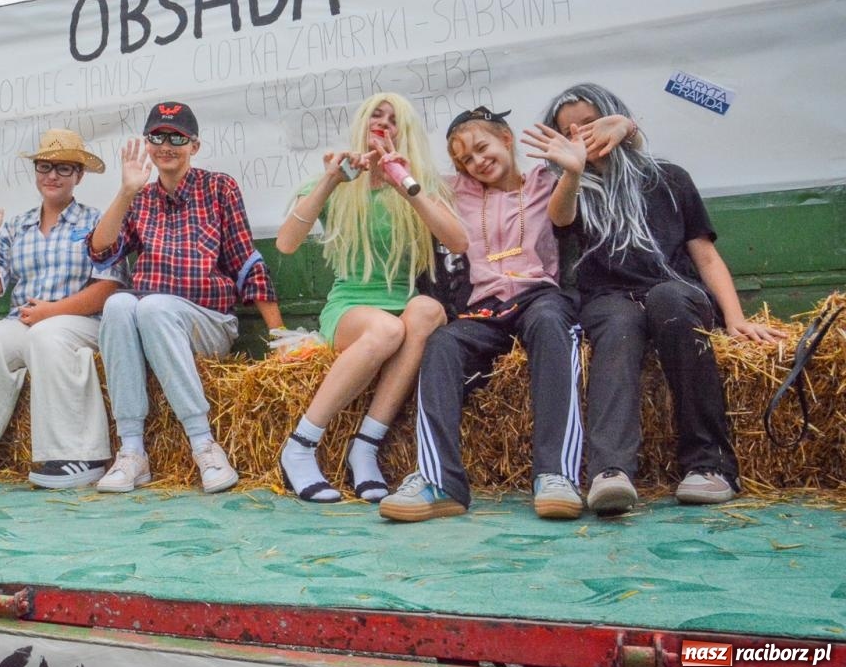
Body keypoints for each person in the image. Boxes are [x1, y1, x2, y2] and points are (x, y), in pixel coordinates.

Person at [529, 82, 783, 515]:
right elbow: (561, 218)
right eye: (569, 131)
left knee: (669, 301)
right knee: (618, 326)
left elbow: (705, 255)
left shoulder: (669, 178)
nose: (582, 136)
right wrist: (571, 171)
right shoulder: (574, 187)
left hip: (673, 288)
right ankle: (611, 472)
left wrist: (735, 316)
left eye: (590, 124)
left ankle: (710, 466)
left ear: (612, 118)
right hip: (609, 295)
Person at [379, 106, 590, 522]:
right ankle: (440, 481)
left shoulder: (545, 182)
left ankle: (556, 475)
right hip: (485, 307)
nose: (476, 162)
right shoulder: (457, 191)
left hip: (537, 295)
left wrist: (573, 172)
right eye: (464, 159)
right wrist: (394, 160)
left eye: (482, 148)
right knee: (441, 343)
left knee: (552, 325)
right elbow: (410, 170)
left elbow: (563, 216)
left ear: (506, 140)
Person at [275, 93, 466, 503]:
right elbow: (287, 244)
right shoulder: (339, 181)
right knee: (386, 328)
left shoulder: (420, 183)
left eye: (394, 119)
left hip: (403, 304)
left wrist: (407, 186)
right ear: (362, 124)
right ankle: (301, 446)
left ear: (406, 132)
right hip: (351, 308)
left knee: (428, 310)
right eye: (376, 115)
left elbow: (458, 241)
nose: (384, 124)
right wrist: (330, 180)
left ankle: (365, 447)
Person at [88, 101, 282, 495]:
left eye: (177, 137)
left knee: (152, 305)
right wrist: (126, 190)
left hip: (208, 321)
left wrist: (279, 336)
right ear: (147, 143)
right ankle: (132, 451)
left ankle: (203, 443)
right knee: (119, 304)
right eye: (157, 136)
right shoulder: (138, 197)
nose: (166, 145)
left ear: (194, 145)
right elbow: (101, 250)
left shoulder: (219, 187)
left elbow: (246, 261)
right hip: (150, 321)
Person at [0, 130, 128, 489]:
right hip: (27, 321)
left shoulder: (96, 221)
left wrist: (53, 312)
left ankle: (78, 454)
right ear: (36, 172)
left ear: (79, 176)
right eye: (45, 166)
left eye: (64, 168)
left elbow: (108, 286)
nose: (53, 176)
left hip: (83, 323)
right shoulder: (18, 225)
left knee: (48, 337)